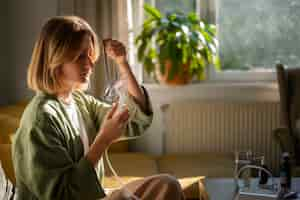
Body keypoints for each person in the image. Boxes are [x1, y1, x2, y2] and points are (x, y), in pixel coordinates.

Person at [12, 16, 185, 200]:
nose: (90, 63)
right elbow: (61, 195)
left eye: (90, 54)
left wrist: (122, 64)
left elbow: (135, 119)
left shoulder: (80, 102)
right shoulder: (41, 119)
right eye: (80, 56)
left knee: (167, 184)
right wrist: (102, 140)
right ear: (56, 60)